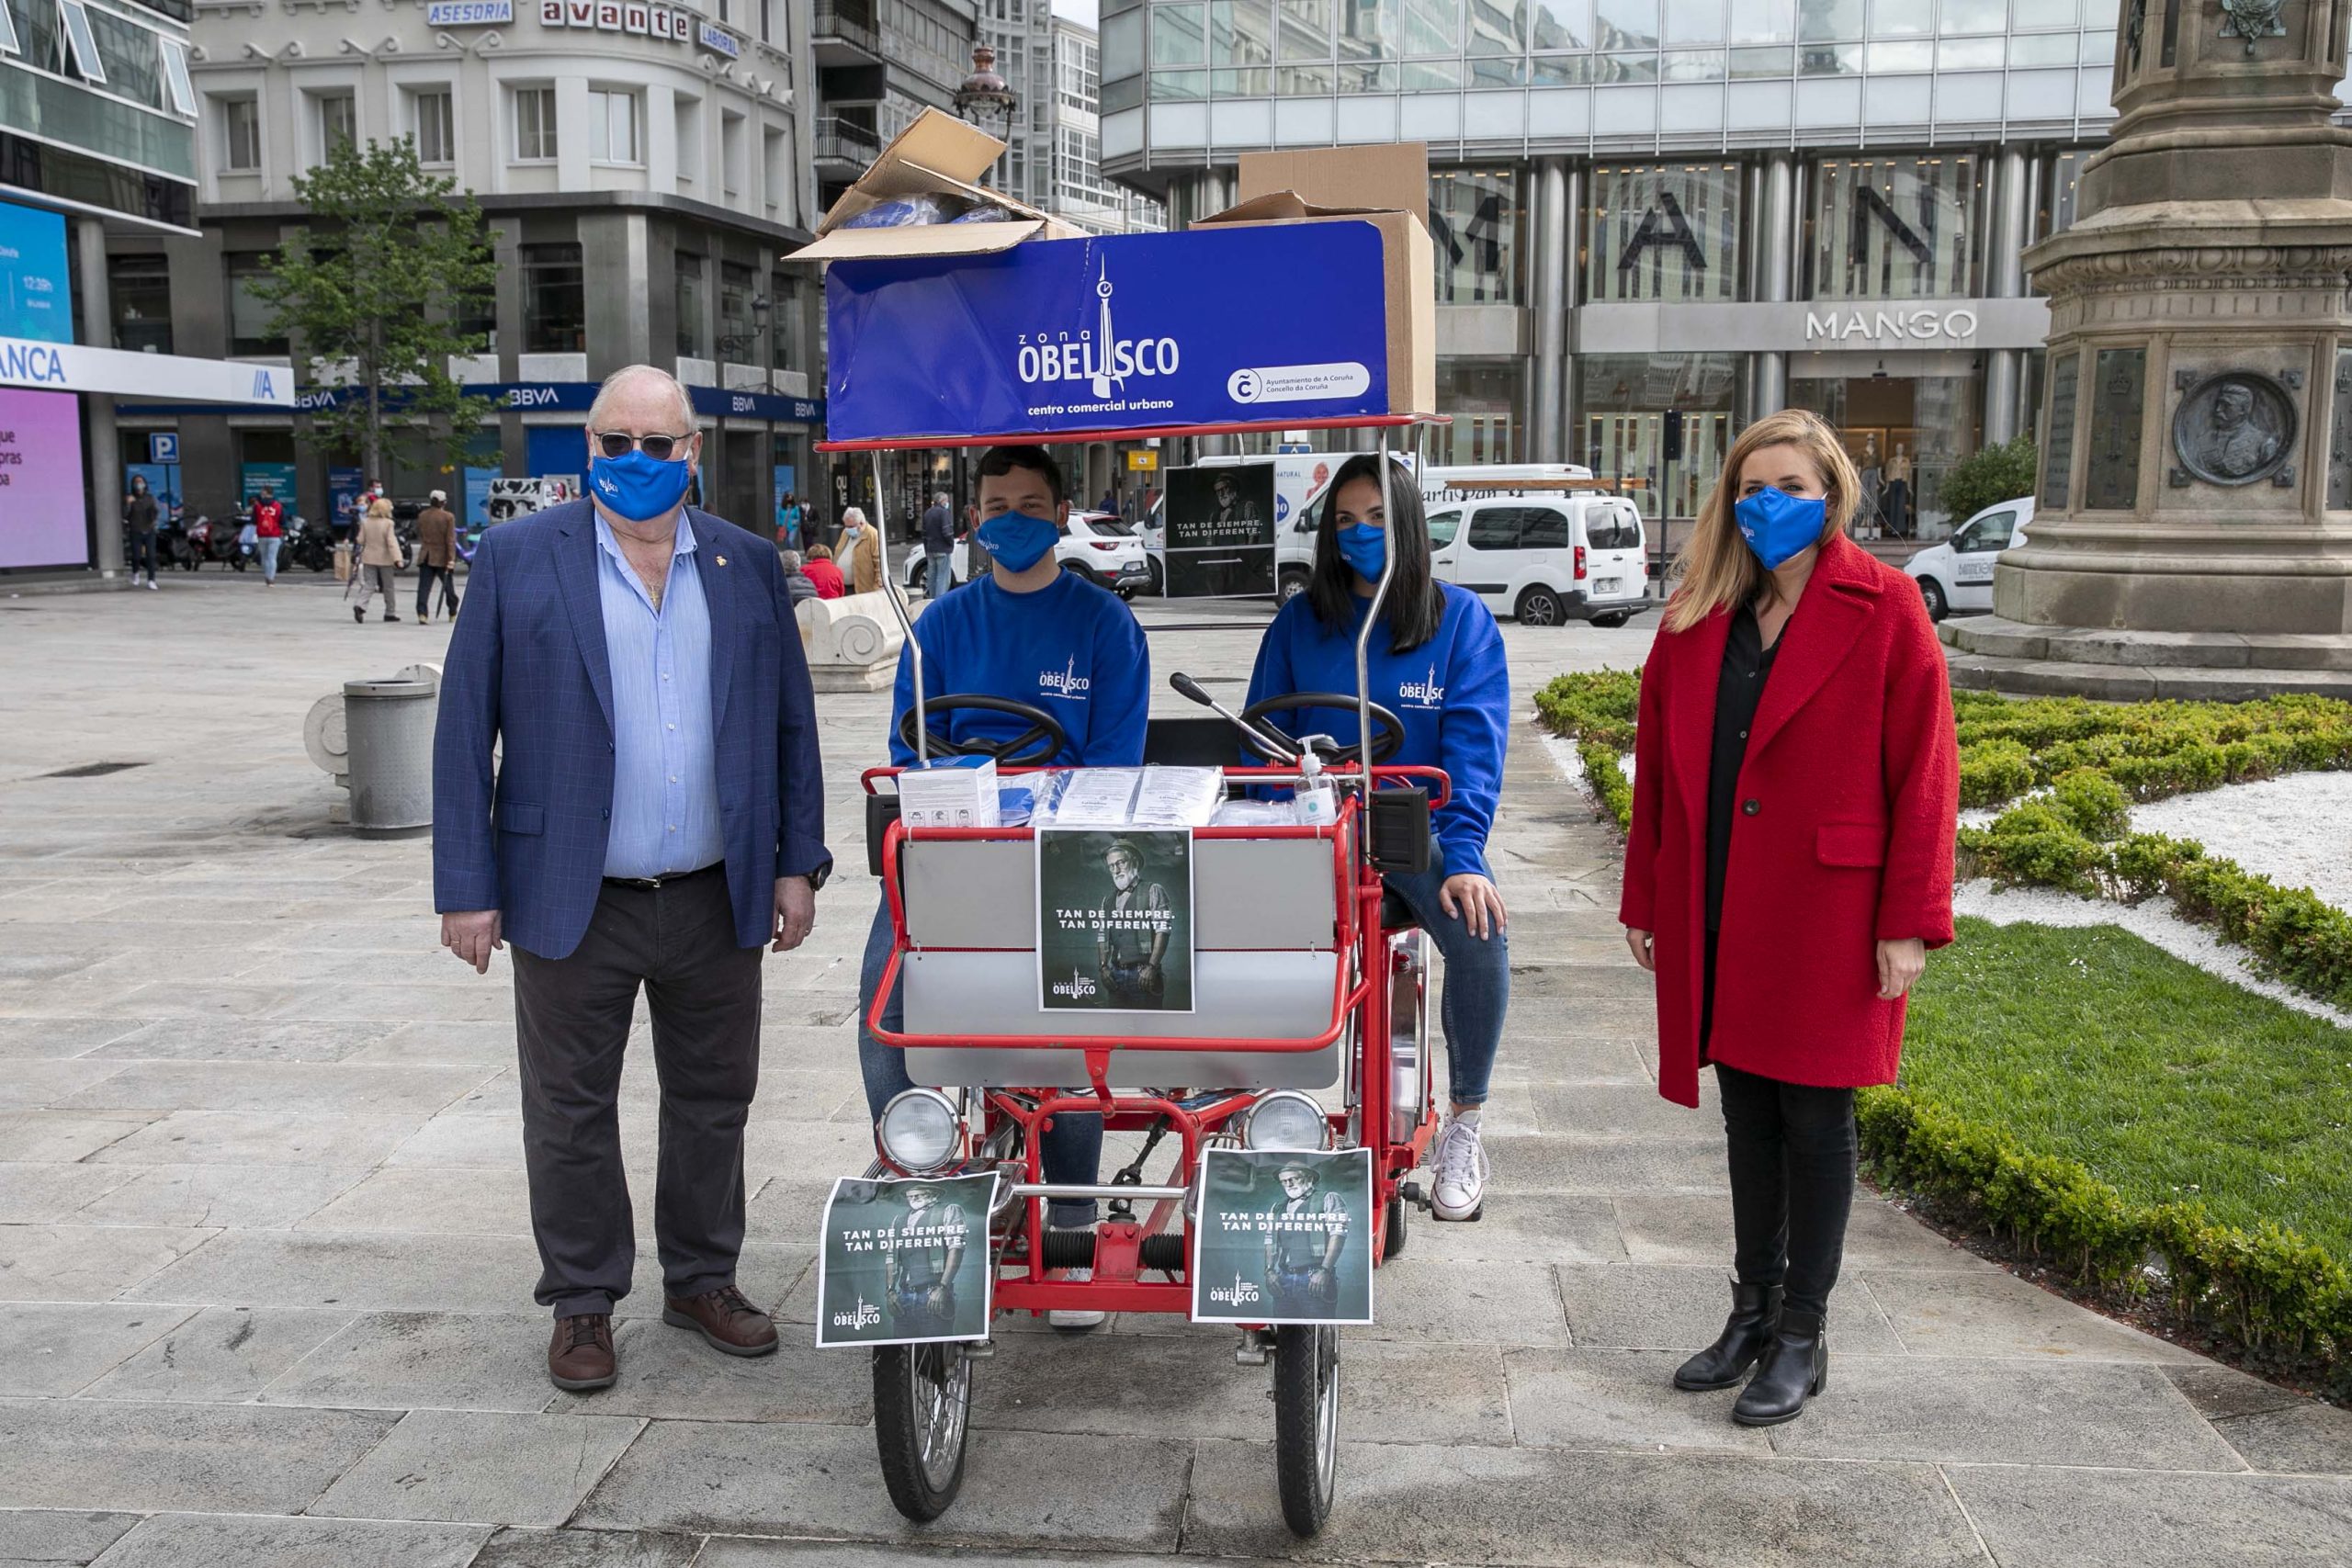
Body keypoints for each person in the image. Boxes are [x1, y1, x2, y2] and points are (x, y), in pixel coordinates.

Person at [432, 364, 831, 1393]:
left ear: (692, 452)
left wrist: (798, 865)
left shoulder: (747, 565)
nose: (640, 462)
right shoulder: (519, 559)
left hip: (715, 892)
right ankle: (581, 1300)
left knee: (714, 1099)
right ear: (589, 449)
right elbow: (463, 726)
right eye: (619, 443)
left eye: (662, 444)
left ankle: (703, 1279)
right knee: (567, 1108)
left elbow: (793, 726)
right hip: (571, 892)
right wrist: (465, 886)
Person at [1620, 408, 1959, 1428]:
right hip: (1718, 896)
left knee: (1815, 1116)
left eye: (1792, 489)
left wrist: (1909, 922)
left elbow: (1927, 773)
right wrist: (1645, 896)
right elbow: (1658, 779)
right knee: (1747, 1113)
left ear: (1832, 497)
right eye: (1751, 487)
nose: (1769, 505)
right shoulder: (1696, 614)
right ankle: (1750, 1313)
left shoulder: (1885, 605)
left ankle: (1802, 1336)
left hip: (1828, 907)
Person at [860, 443, 1148, 1331]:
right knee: (885, 1010)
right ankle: (925, 1166)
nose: (1012, 517)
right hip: (956, 848)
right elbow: (911, 751)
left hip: (1066, 852)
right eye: (995, 503)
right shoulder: (939, 626)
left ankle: (1068, 1209)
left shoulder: (1105, 625)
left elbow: (1114, 767)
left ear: (1060, 514)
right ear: (974, 515)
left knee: (1070, 1025)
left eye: (1030, 502)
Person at [1245, 452, 1511, 1224]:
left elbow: (1473, 757)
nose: (1360, 534)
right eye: (1345, 521)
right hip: (1314, 826)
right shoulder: (1301, 621)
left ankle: (1464, 1123)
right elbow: (1258, 737)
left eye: (1377, 520)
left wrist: (1462, 858)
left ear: (1408, 527)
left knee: (1478, 929)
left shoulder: (1460, 621)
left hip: (1411, 830)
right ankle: (1231, 1095)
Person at [1262, 1161, 1349, 1318]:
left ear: (1309, 1178)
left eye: (1294, 1178)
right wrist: (1269, 1271)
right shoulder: (1277, 1207)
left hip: (1313, 1277)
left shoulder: (1328, 1198)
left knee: (1320, 1329)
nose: (1288, 1184)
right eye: (1284, 1181)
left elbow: (1338, 1234)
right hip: (1283, 1280)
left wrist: (1325, 1271)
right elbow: (1270, 1240)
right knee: (1284, 1330)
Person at [1094, 837, 1170, 1006]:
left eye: (1120, 863)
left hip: (1144, 974)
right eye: (1111, 866)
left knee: (1149, 1026)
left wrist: (1152, 967)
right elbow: (1102, 936)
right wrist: (1103, 968)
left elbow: (1162, 930)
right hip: (1114, 975)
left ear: (1134, 862)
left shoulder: (1153, 890)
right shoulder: (1107, 900)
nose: (1116, 870)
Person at [353, 497, 403, 623]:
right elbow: (392, 542)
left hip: (368, 557)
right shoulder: (388, 523)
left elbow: (360, 540)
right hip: (385, 559)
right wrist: (398, 559)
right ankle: (390, 612)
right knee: (388, 586)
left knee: (369, 583)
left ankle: (360, 605)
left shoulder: (365, 522)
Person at [414, 490, 460, 623]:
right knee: (448, 586)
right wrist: (451, 558)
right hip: (442, 555)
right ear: (443, 502)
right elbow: (450, 539)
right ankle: (452, 612)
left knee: (424, 587)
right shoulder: (448, 517)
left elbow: (420, 534)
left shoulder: (422, 515)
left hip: (426, 555)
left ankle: (422, 613)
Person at [125, 476, 160, 590]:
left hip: (149, 530)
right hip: (136, 530)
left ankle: (151, 580)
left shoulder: (150, 498)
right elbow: (125, 514)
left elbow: (156, 511)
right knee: (136, 556)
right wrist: (127, 504)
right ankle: (135, 573)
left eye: (141, 482)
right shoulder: (130, 498)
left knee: (151, 555)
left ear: (145, 484)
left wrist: (154, 517)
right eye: (136, 482)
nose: (139, 484)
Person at [839, 506, 882, 595]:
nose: (848, 529)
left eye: (851, 526)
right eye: (846, 526)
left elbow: (879, 560)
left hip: (861, 588)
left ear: (861, 523)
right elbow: (838, 551)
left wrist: (880, 579)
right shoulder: (845, 533)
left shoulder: (873, 535)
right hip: (842, 586)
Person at [920, 490, 956, 599]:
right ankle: (939, 601)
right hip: (942, 549)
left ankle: (932, 600)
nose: (947, 503)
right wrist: (951, 543)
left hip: (931, 549)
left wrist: (926, 549)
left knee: (932, 577)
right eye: (946, 501)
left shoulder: (928, 513)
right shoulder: (943, 513)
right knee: (942, 578)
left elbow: (924, 534)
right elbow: (947, 532)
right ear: (942, 501)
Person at [251, 486, 285, 585]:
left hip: (261, 534)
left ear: (265, 493)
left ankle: (266, 576)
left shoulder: (257, 506)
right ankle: (271, 578)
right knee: (272, 558)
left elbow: (253, 521)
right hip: (274, 534)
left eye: (262, 492)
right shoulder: (278, 505)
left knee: (264, 557)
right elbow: (282, 521)